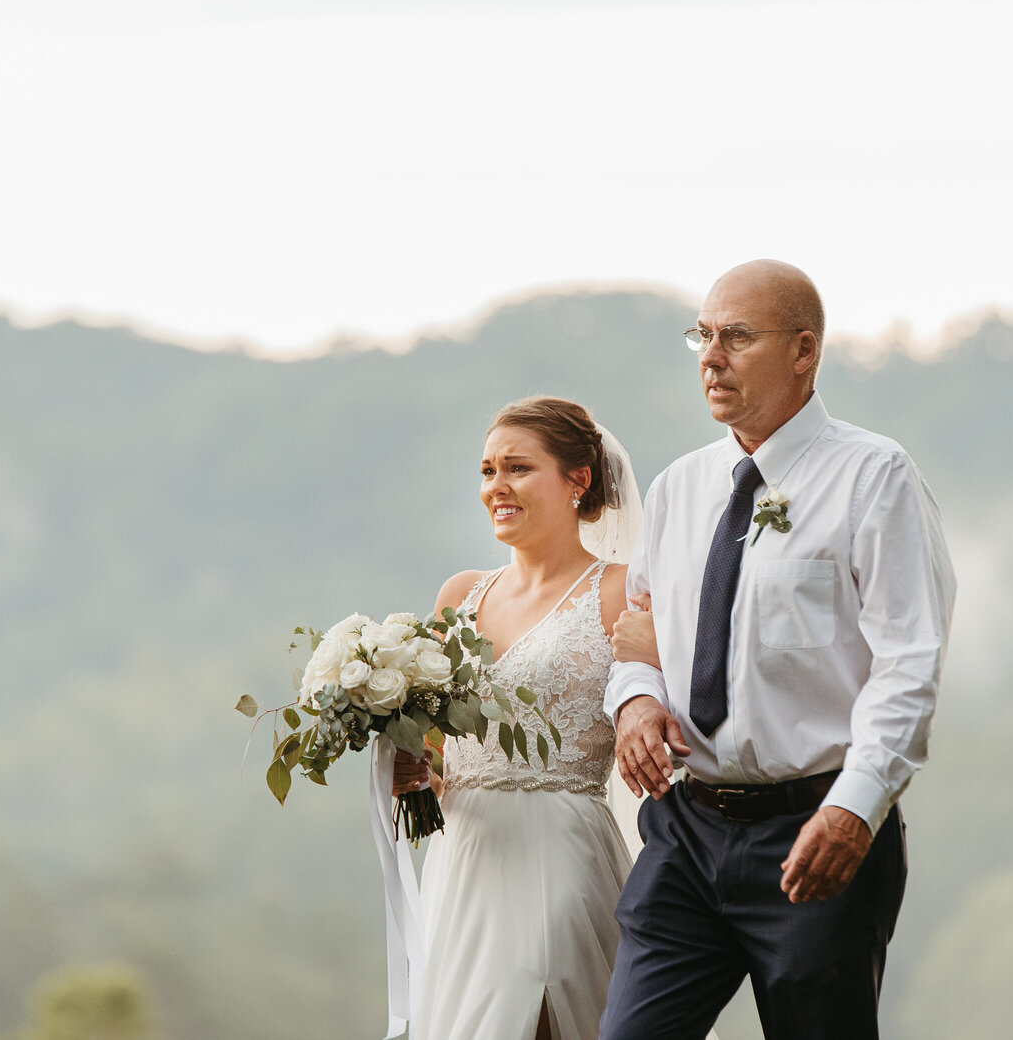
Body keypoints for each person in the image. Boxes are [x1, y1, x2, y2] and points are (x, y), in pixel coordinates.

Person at [601, 259, 957, 1039]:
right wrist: (633, 704)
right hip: (683, 833)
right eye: (703, 335)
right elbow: (642, 638)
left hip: (815, 830)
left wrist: (856, 810)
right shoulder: (679, 488)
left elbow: (909, 664)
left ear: (804, 351)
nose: (711, 355)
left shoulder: (875, 477)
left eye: (736, 337)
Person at [393, 396, 641, 1040]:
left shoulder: (619, 591)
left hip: (560, 855)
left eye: (517, 468)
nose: (495, 487)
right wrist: (409, 765)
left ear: (577, 479)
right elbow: (440, 758)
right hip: (463, 858)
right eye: (486, 470)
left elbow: (656, 715)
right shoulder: (460, 596)